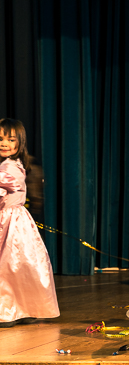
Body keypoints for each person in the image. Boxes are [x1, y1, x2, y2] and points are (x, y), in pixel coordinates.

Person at [0, 118, 59, 327]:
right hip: (16, 219)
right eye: (0, 139)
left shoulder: (8, 168)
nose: (4, 143)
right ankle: (26, 308)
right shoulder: (14, 164)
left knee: (9, 266)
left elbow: (5, 190)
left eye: (11, 140)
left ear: (20, 142)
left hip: (10, 221)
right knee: (21, 266)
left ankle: (8, 311)